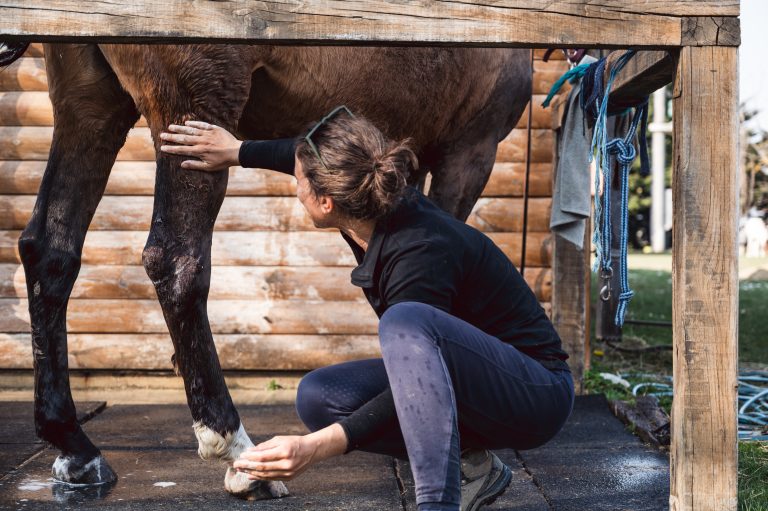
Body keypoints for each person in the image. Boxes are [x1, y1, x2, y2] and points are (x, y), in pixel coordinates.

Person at [159, 107, 574, 511]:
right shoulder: (370, 193)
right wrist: (236, 151)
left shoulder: (418, 254)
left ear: (325, 203)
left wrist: (313, 449)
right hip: (468, 380)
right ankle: (475, 467)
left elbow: (413, 390)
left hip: (534, 393)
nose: (295, 184)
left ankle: (438, 501)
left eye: (300, 182)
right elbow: (301, 156)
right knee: (320, 398)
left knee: (404, 323)